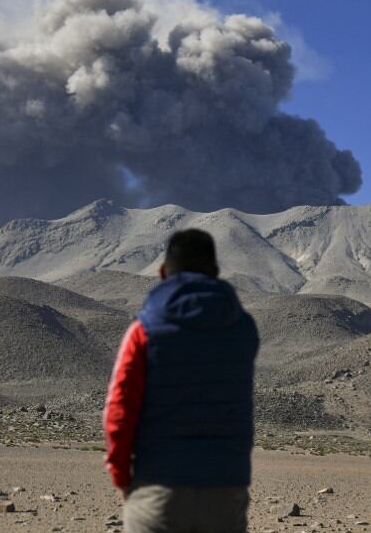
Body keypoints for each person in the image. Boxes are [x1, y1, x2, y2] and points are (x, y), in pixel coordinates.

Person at [103, 228, 259, 533]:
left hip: (159, 486)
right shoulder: (243, 329)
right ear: (215, 272)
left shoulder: (144, 331)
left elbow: (118, 408)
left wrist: (121, 475)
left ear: (162, 272)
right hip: (226, 489)